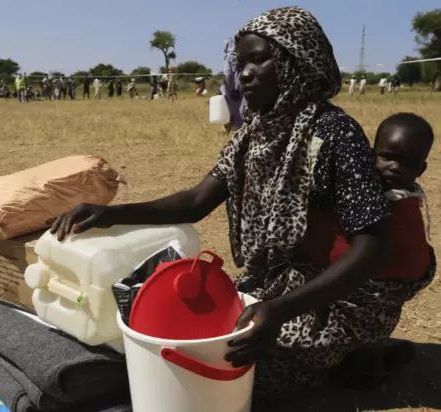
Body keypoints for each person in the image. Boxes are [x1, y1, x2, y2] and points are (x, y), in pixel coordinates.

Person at [50, 7, 411, 397]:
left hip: (343, 294)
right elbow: (196, 201)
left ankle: (363, 351)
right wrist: (111, 214)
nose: (246, 74)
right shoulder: (252, 136)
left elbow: (373, 249)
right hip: (277, 285)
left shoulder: (336, 135)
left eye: (259, 59)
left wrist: (281, 309)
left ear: (297, 59)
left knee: (247, 370)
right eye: (241, 63)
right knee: (202, 334)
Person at [328, 113, 435, 384]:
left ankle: (369, 366)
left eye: (407, 163)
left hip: (375, 291)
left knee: (357, 330)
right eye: (388, 156)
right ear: (371, 153)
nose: (394, 168)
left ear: (420, 170)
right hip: (383, 297)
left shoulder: (400, 202)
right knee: (372, 328)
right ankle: (375, 355)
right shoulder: (377, 192)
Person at [220, 37, 244, 129]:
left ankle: (233, 125)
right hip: (237, 85)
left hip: (233, 86)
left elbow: (227, 75)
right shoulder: (235, 57)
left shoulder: (229, 58)